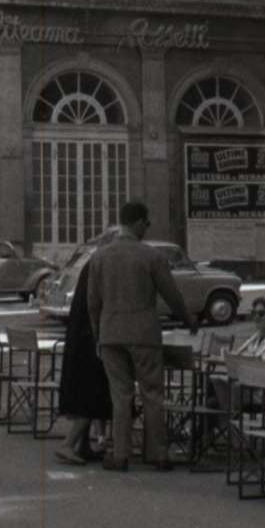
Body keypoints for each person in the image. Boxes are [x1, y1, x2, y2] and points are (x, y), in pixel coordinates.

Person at [86, 201, 195, 472]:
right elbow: (172, 295)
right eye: (146, 224)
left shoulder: (99, 257)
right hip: (144, 333)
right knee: (152, 393)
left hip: (111, 333)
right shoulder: (151, 257)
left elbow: (92, 303)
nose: (147, 229)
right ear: (137, 222)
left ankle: (120, 454)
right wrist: (188, 320)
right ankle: (158, 454)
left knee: (120, 396)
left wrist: (98, 335)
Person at [54, 259, 113, 465]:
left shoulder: (89, 268)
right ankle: (68, 444)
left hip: (80, 340)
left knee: (87, 394)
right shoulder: (100, 268)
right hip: (91, 342)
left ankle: (83, 444)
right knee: (92, 396)